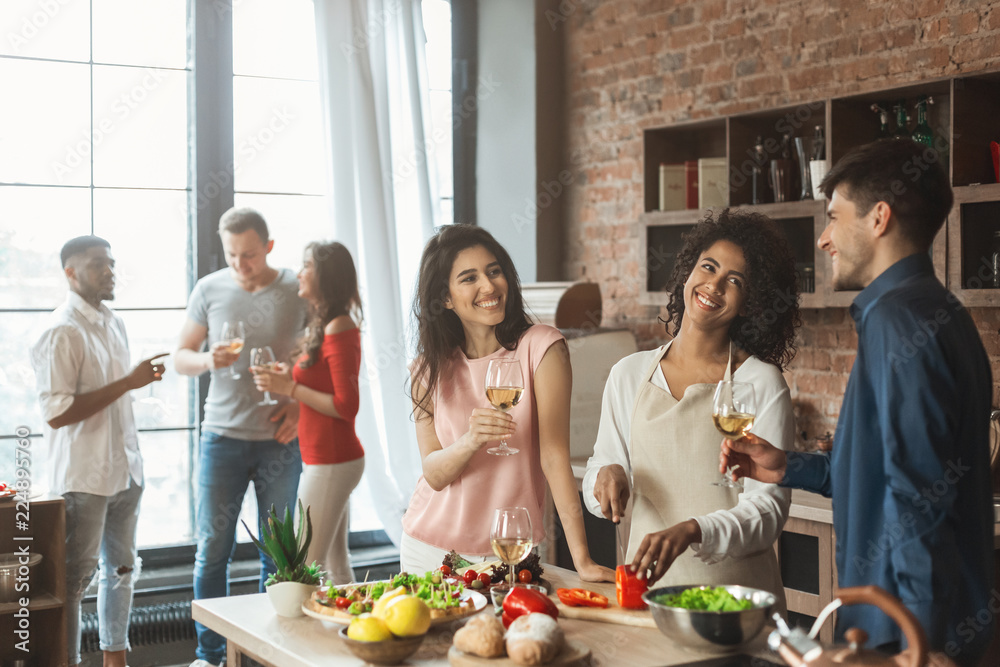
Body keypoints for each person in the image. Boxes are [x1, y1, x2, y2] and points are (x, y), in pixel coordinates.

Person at [722, 139, 994, 665]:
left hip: (900, 635)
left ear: (879, 218)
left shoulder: (898, 321)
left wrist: (920, 637)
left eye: (834, 216)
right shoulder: (941, 313)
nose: (824, 237)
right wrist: (788, 468)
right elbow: (884, 470)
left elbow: (919, 492)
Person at [582, 210, 800, 607]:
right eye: (708, 267)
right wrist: (605, 477)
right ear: (687, 272)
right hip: (647, 600)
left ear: (750, 303)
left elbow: (767, 511)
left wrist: (694, 530)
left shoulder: (761, 383)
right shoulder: (629, 374)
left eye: (734, 281)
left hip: (737, 604)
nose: (713, 286)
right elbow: (601, 472)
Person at [400, 224, 613, 582]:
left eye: (494, 271)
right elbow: (434, 474)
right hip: (428, 548)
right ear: (446, 298)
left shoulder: (542, 347)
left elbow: (554, 457)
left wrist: (583, 560)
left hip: (508, 550)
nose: (489, 286)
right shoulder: (428, 369)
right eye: (469, 278)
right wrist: (470, 441)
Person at [174, 207, 308, 667]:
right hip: (221, 439)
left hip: (280, 441)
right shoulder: (209, 288)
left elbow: (325, 361)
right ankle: (210, 656)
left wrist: (298, 404)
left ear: (269, 247)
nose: (240, 264)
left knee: (278, 553)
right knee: (213, 550)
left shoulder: (297, 288)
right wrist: (211, 361)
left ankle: (267, 653)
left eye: (248, 255)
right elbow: (180, 357)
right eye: (232, 255)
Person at [31, 236, 167, 667]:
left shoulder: (113, 322)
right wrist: (129, 382)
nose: (109, 271)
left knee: (122, 571)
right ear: (70, 274)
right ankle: (66, 661)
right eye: (96, 265)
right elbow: (56, 414)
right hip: (85, 477)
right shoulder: (61, 331)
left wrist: (133, 386)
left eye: (110, 263)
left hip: (126, 469)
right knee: (73, 582)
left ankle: (115, 660)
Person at [252, 241, 365, 585]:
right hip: (326, 459)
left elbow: (347, 406)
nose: (298, 273)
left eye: (306, 266)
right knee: (334, 567)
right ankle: (350, 635)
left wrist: (292, 389)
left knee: (300, 572)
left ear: (327, 277)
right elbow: (324, 387)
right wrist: (290, 379)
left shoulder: (340, 327)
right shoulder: (327, 324)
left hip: (332, 461)